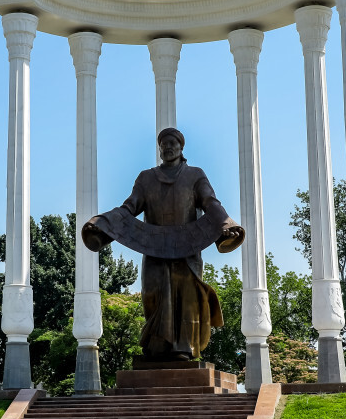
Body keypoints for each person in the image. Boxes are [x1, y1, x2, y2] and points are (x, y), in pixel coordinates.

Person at [82, 128, 244, 361]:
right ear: (159, 149)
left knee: (186, 298)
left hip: (187, 248)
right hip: (154, 248)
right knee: (153, 293)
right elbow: (129, 207)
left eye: (172, 143)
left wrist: (226, 224)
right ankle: (157, 347)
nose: (167, 147)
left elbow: (211, 203)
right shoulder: (146, 178)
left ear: (181, 147)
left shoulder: (195, 175)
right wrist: (103, 223)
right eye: (163, 144)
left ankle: (183, 348)